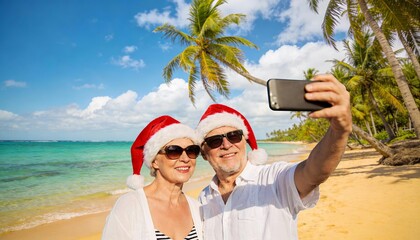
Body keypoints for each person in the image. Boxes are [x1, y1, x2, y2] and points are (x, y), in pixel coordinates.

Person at [196, 74, 352, 239]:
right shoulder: (203, 198)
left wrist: (339, 131)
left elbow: (313, 172)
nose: (226, 145)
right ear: (204, 153)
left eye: (234, 135)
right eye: (214, 141)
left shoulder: (274, 179)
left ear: (244, 141)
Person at [102, 115, 203, 240]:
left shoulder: (197, 207)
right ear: (154, 161)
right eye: (173, 151)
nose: (185, 158)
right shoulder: (129, 205)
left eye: (191, 150)